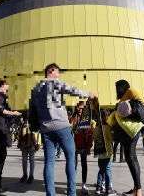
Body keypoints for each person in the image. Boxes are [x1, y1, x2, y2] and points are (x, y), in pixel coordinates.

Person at [29, 63, 96, 196]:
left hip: (46, 129)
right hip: (62, 126)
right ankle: (71, 193)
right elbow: (72, 90)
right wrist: (89, 94)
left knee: (49, 162)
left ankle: (50, 194)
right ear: (51, 71)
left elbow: (31, 112)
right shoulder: (54, 82)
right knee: (70, 157)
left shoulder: (36, 90)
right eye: (57, 72)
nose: (58, 75)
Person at [107, 79, 144, 196]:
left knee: (130, 157)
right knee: (132, 158)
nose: (117, 90)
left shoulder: (130, 91)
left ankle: (138, 190)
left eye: (118, 87)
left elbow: (140, 103)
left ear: (123, 87)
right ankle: (136, 188)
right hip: (126, 131)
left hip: (132, 130)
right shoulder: (124, 97)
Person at [71, 101, 95, 194]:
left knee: (84, 165)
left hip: (84, 146)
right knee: (74, 166)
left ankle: (84, 184)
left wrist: (89, 147)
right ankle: (72, 183)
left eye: (82, 108)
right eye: (78, 108)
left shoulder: (87, 119)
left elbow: (90, 134)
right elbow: (69, 128)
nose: (80, 110)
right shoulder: (73, 118)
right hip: (74, 146)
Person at [93, 109, 116, 196]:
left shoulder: (96, 128)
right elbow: (111, 139)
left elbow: (95, 139)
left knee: (101, 170)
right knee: (108, 171)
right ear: (106, 117)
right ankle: (108, 189)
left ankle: (98, 188)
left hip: (99, 152)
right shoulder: (107, 128)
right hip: (107, 152)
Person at [18, 111, 41, 184]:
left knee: (31, 160)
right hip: (24, 145)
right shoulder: (24, 123)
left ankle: (31, 175)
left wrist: (38, 144)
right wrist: (19, 142)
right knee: (24, 161)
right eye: (27, 112)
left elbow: (38, 133)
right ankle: (25, 175)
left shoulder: (35, 121)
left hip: (32, 145)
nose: (28, 113)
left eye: (29, 112)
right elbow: (20, 133)